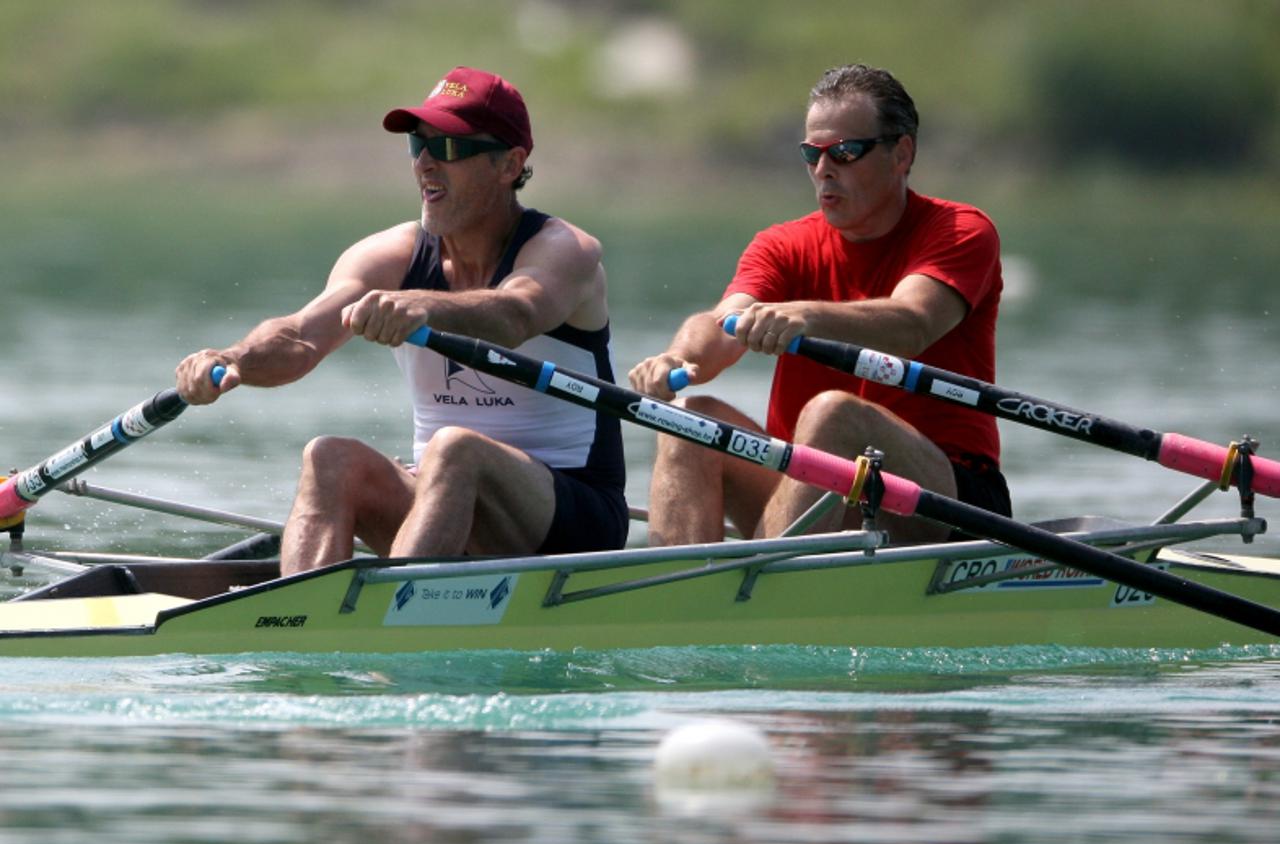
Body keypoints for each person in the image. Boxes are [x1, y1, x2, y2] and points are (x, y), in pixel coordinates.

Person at [176, 66, 626, 575]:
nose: (427, 164)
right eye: (419, 145)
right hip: (444, 502)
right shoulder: (391, 254)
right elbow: (301, 337)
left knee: (455, 448)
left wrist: (423, 306)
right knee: (330, 458)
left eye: (451, 148)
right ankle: (299, 620)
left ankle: (390, 618)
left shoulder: (564, 250)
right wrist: (232, 358)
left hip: (571, 520)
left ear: (509, 165)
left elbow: (516, 313)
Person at [628, 63, 1009, 546]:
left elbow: (912, 322)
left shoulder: (960, 231)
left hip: (949, 499)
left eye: (846, 152)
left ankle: (755, 586)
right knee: (690, 418)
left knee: (832, 416)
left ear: (902, 154)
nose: (824, 169)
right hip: (814, 494)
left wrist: (805, 315)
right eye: (812, 153)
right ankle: (678, 597)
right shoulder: (782, 244)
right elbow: (724, 322)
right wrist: (679, 359)